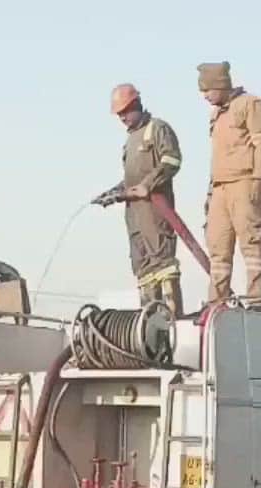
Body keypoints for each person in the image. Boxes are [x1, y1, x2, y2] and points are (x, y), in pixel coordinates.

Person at [94, 83, 185, 316]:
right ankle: (150, 324)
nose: (122, 118)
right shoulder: (130, 141)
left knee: (163, 267)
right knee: (144, 270)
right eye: (119, 114)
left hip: (155, 213)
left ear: (136, 105)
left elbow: (172, 161)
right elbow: (130, 180)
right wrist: (113, 194)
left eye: (125, 112)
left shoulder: (157, 129)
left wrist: (148, 185)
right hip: (134, 217)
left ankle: (172, 320)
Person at [197, 61, 261, 312]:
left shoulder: (250, 105)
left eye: (207, 90)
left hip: (244, 182)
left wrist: (258, 180)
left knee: (251, 244)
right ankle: (217, 302)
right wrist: (210, 193)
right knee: (218, 249)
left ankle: (256, 301)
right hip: (220, 187)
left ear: (220, 85)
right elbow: (216, 157)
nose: (205, 96)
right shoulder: (216, 114)